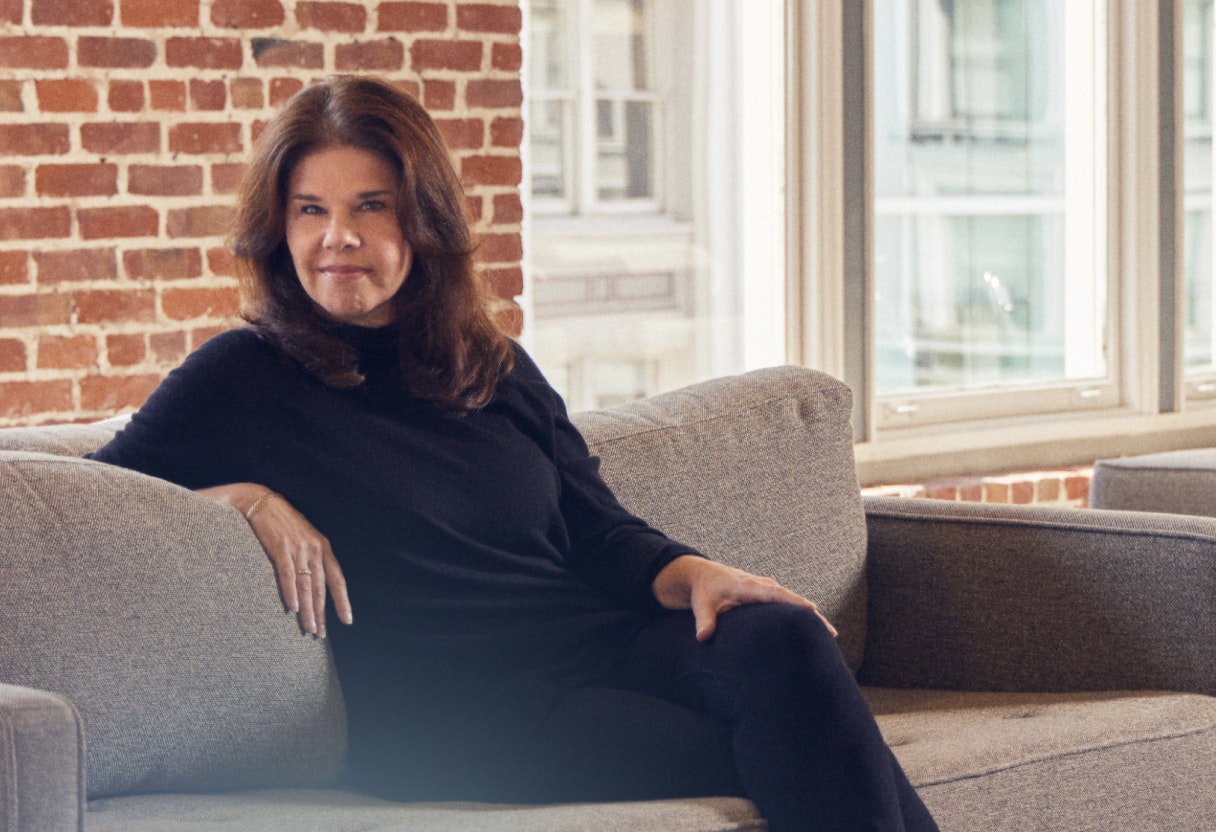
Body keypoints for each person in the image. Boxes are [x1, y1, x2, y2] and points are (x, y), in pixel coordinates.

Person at [89, 75, 939, 832]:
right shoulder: (241, 376)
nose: (337, 236)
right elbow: (92, 505)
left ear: (422, 220)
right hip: (455, 723)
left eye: (370, 206)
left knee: (786, 637)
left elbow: (599, 531)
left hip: (593, 647)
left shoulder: (487, 363)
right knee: (801, 741)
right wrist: (244, 499)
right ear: (279, 226)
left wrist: (697, 573)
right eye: (311, 209)